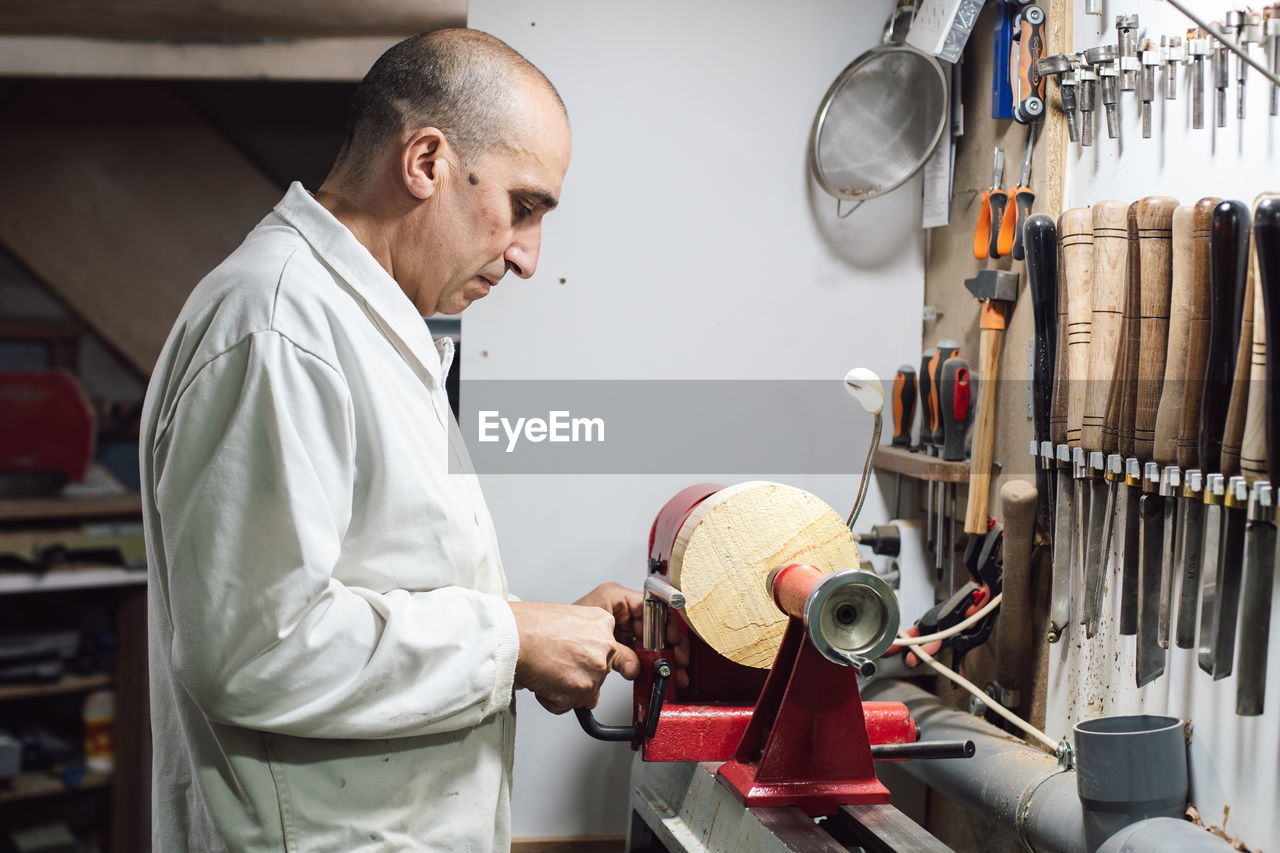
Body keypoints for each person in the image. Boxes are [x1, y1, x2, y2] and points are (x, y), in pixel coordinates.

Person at [140, 28, 652, 852]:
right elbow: (253, 646)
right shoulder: (279, 324)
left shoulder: (365, 323)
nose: (529, 257)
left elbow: (380, 578)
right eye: (523, 207)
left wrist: (537, 631)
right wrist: (512, 643)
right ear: (425, 163)